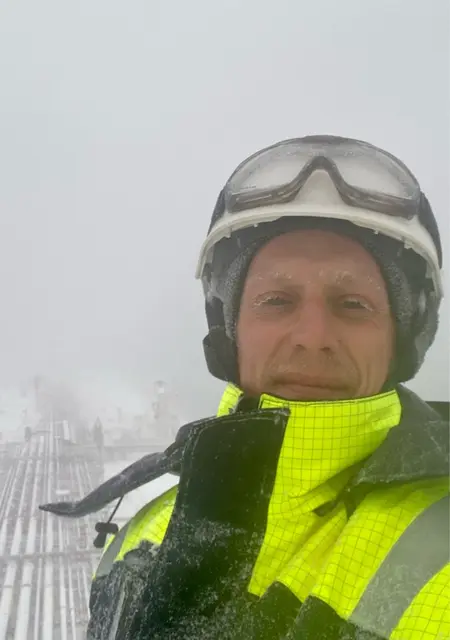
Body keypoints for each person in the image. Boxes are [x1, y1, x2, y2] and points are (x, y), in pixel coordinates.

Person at [43, 135, 449, 639]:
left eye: (352, 304)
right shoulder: (146, 531)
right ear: (228, 328)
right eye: (277, 300)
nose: (312, 337)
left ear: (403, 339)